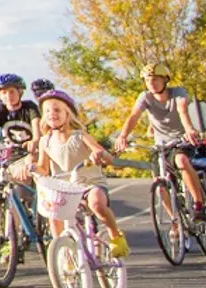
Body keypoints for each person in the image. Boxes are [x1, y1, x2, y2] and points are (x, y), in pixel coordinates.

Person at [22, 86, 127, 257]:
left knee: (97, 204)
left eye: (57, 110)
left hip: (89, 184)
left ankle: (115, 235)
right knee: (53, 214)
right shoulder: (45, 141)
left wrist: (97, 155)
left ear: (67, 114)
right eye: (47, 111)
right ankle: (62, 255)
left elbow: (104, 156)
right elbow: (44, 168)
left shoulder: (79, 136)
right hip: (64, 188)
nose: (51, 114)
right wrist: (32, 167)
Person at [110, 61, 206, 219]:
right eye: (148, 80)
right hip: (161, 146)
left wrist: (189, 129)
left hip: (180, 141)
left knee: (182, 161)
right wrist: (123, 136)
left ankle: (199, 204)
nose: (152, 83)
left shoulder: (178, 92)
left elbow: (182, 111)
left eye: (156, 79)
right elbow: (134, 116)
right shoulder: (145, 97)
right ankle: (174, 220)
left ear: (165, 80)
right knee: (159, 185)